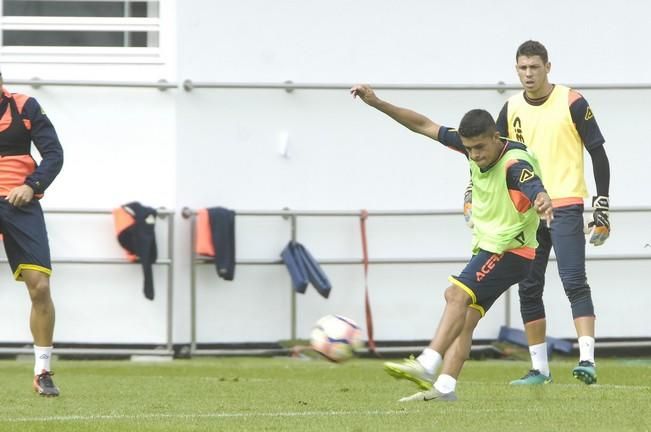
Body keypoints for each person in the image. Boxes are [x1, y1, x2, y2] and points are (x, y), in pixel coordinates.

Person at [351, 84, 552, 401]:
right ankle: (445, 386)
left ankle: (427, 361)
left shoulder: (514, 164)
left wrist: (541, 199)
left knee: (457, 294)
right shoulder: (471, 146)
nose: (475, 155)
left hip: (511, 250)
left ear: (496, 139)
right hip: (492, 247)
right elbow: (423, 125)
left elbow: (533, 184)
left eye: (481, 148)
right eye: (469, 148)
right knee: (464, 315)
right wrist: (376, 102)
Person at [497, 40, 610, 385]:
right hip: (528, 212)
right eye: (522, 67)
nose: (528, 74)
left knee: (574, 281)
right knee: (529, 287)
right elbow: (496, 159)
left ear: (548, 66)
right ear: (516, 69)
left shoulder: (572, 101)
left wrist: (602, 205)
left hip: (566, 204)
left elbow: (598, 153)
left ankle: (587, 360)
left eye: (534, 67)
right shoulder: (511, 107)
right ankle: (539, 369)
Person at [0, 72, 64, 396]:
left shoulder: (25, 107)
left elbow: (54, 155)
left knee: (39, 286)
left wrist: (31, 185)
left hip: (18, 204)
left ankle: (42, 371)